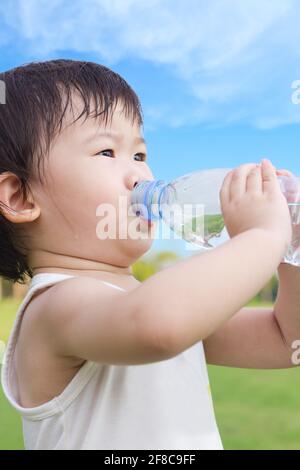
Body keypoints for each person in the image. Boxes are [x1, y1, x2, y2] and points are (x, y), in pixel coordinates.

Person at [0, 59, 298, 450]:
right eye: (107, 152)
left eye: (139, 155)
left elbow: (284, 340)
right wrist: (262, 235)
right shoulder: (54, 307)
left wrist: (290, 250)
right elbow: (158, 325)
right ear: (20, 197)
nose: (141, 175)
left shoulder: (149, 303)